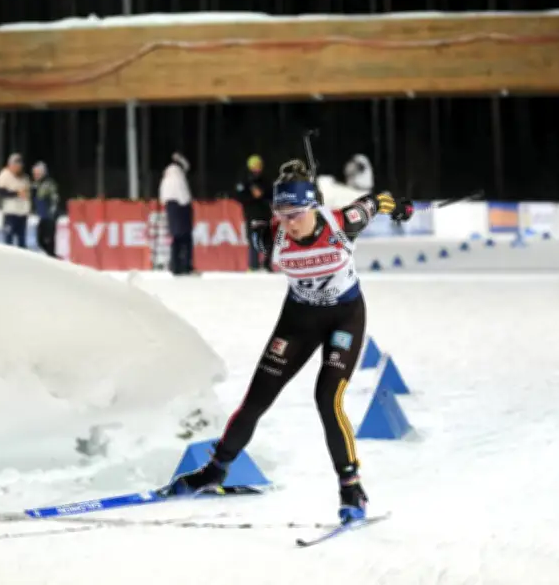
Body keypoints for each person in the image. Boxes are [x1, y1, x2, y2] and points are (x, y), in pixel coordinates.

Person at [163, 158, 414, 523]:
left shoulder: (344, 223)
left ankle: (351, 488)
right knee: (256, 399)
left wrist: (401, 205)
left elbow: (378, 200)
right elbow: (251, 212)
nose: (289, 222)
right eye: (282, 213)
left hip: (344, 317)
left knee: (327, 398)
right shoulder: (269, 235)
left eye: (296, 213)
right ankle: (215, 471)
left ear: (314, 206)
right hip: (298, 320)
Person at [159, 152, 194, 275]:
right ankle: (185, 265)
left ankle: (175, 265)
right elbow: (183, 193)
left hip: (170, 208)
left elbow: (162, 195)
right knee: (186, 238)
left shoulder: (166, 176)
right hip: (181, 208)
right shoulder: (178, 176)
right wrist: (188, 204)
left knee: (175, 238)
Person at [236, 155, 272, 271]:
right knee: (253, 240)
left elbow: (271, 195)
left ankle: (267, 265)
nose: (257, 169)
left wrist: (262, 195)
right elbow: (239, 196)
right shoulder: (244, 180)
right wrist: (252, 196)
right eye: (255, 167)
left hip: (265, 214)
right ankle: (254, 266)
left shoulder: (266, 180)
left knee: (267, 240)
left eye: (259, 166)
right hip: (251, 214)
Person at [0, 153, 31, 248]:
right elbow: (1, 193)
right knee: (8, 239)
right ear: (10, 165)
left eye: (20, 165)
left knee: (22, 241)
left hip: (22, 213)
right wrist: (16, 194)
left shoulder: (25, 177)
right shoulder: (4, 175)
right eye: (16, 165)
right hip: (10, 214)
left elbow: (28, 192)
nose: (18, 167)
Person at [31, 161, 60, 257]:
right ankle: (49, 256)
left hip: (49, 217)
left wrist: (52, 211)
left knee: (48, 240)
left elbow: (54, 198)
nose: (35, 175)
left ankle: (52, 258)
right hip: (42, 216)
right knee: (40, 240)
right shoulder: (36, 184)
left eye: (37, 173)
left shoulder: (49, 184)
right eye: (34, 173)